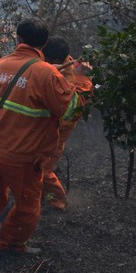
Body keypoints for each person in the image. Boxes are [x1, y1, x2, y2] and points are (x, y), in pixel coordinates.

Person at [0, 18, 92, 254]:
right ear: (45, 42)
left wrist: (55, 73)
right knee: (28, 204)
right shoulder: (46, 73)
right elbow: (70, 110)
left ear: (18, 38)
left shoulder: (3, 63)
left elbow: (28, 81)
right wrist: (80, 79)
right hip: (22, 156)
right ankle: (11, 244)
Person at [40, 35, 92, 211]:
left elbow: (72, 110)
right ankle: (40, 196)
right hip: (46, 132)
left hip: (55, 134)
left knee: (43, 170)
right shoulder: (65, 63)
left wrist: (80, 78)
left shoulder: (70, 77)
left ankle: (58, 201)